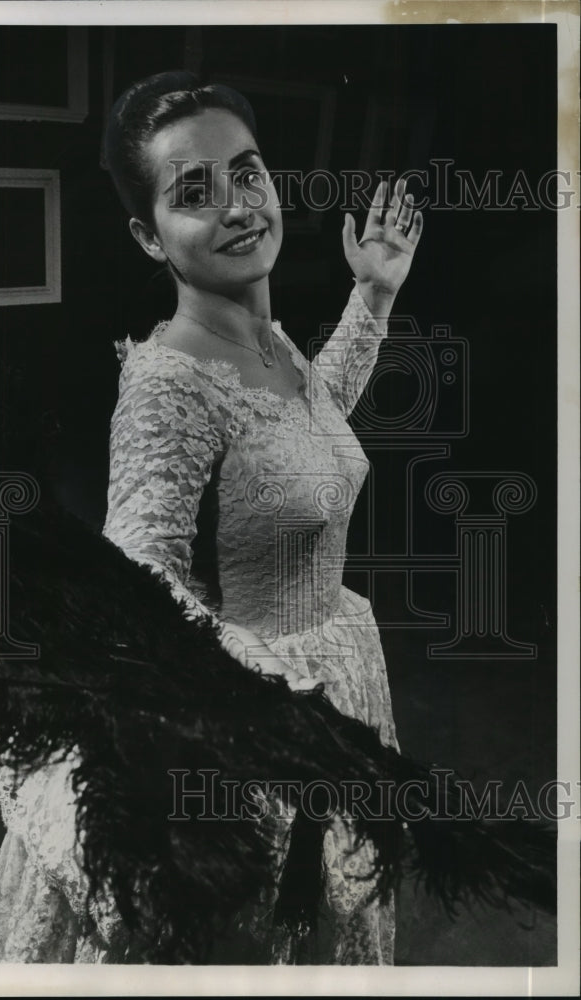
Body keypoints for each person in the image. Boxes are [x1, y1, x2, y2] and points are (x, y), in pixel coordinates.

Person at [99, 70, 420, 963]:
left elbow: (305, 434)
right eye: (192, 193)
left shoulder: (267, 341)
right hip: (256, 740)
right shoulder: (167, 382)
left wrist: (375, 298)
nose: (237, 207)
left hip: (338, 681)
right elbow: (136, 591)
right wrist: (270, 708)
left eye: (247, 173)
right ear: (147, 235)